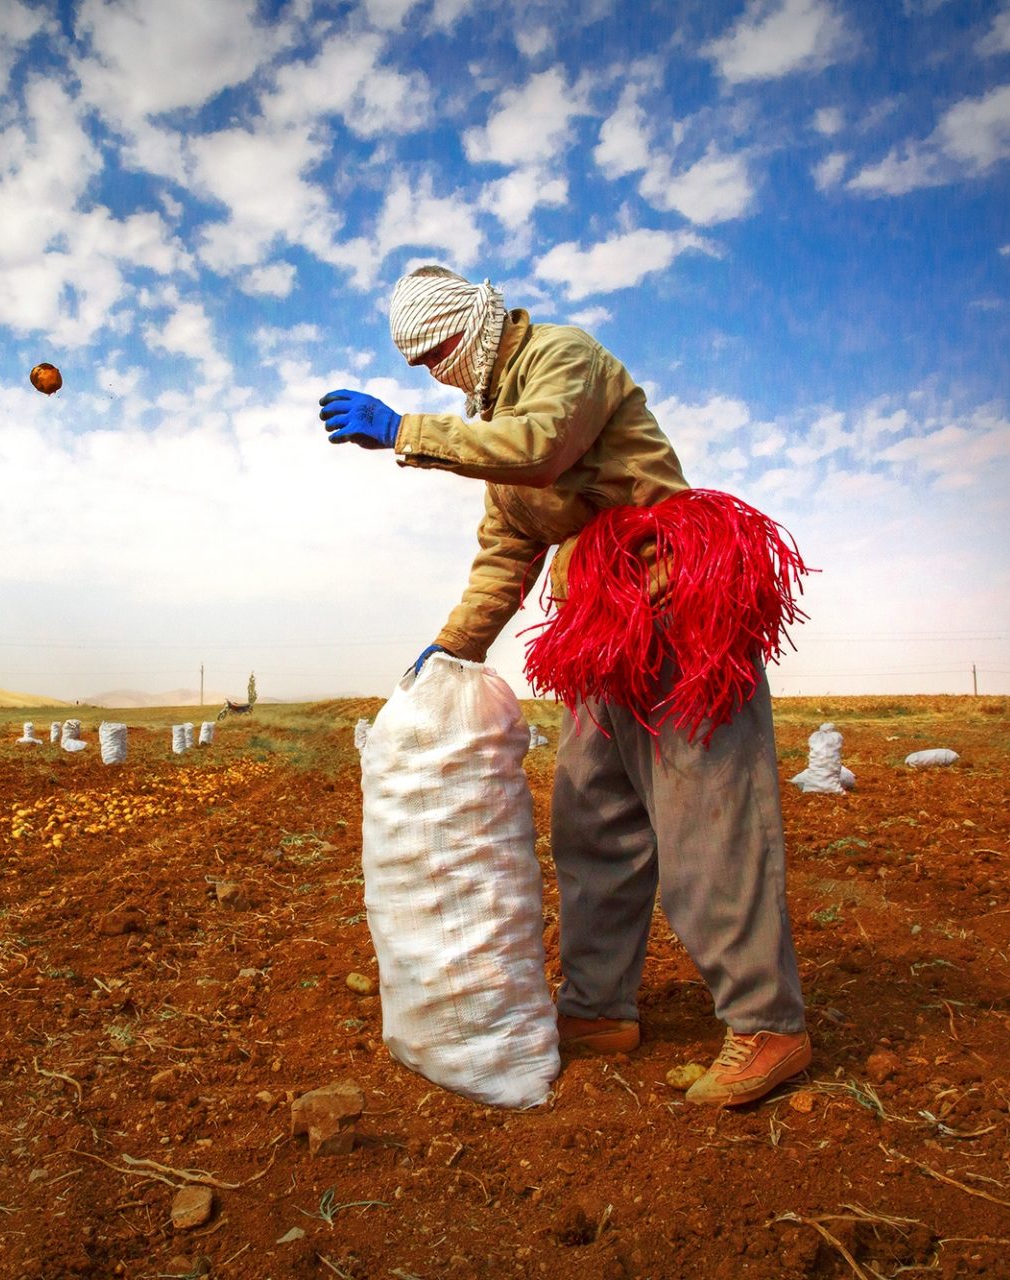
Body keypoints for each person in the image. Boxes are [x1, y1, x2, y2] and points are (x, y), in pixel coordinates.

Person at [319, 265, 812, 1107]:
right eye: (422, 367)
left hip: (677, 610)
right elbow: (506, 556)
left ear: (475, 321)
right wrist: (446, 651)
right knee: (592, 819)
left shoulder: (563, 361)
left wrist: (409, 431)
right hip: (606, 635)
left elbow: (542, 447)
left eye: (440, 351)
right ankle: (599, 1007)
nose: (438, 372)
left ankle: (768, 1024)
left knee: (706, 823)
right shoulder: (492, 432)